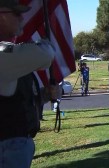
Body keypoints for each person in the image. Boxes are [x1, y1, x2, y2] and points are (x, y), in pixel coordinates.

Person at [0, 1, 56, 168]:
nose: (22, 17)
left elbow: (17, 98)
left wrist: (45, 95)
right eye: (16, 13)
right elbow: (45, 54)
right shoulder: (4, 55)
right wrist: (45, 43)